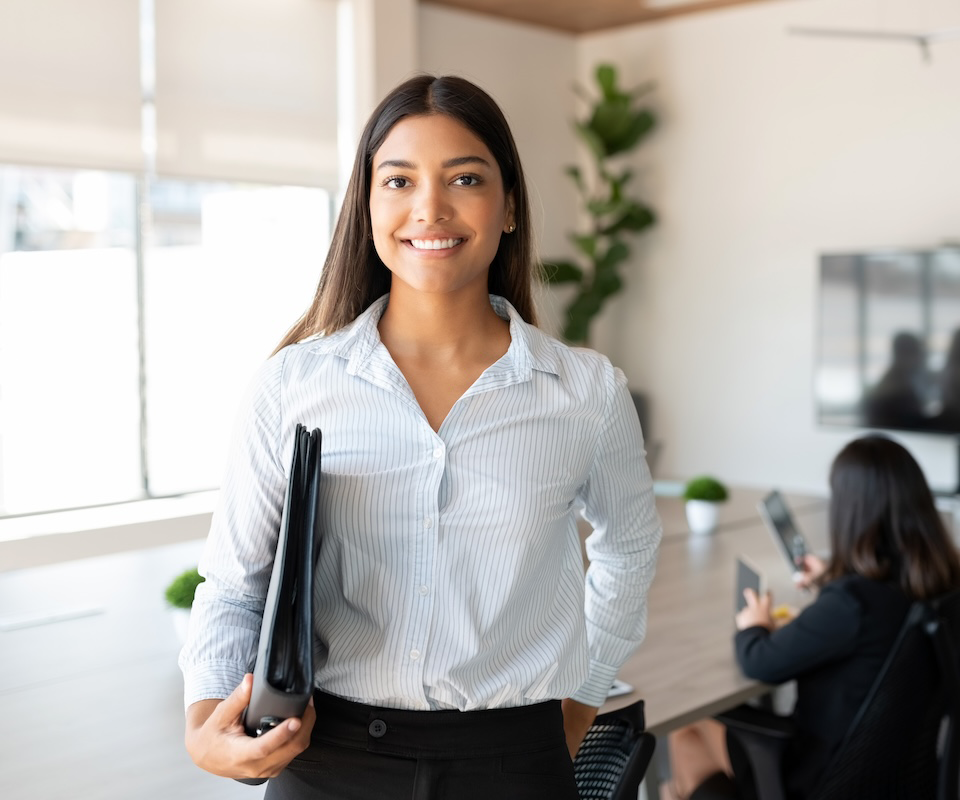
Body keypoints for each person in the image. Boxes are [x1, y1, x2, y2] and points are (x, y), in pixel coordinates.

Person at [178, 74, 662, 799]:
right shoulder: (293, 384)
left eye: (464, 178)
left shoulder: (586, 392)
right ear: (368, 206)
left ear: (508, 208)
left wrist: (583, 697)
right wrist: (204, 721)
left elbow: (629, 548)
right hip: (327, 760)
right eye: (398, 180)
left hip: (515, 762)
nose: (429, 208)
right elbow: (235, 583)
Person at [668, 434, 960, 800]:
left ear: (850, 511)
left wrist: (754, 625)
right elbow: (877, 606)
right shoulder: (942, 582)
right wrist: (834, 577)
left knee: (686, 731)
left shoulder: (851, 603)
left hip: (822, 778)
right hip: (893, 776)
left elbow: (760, 661)